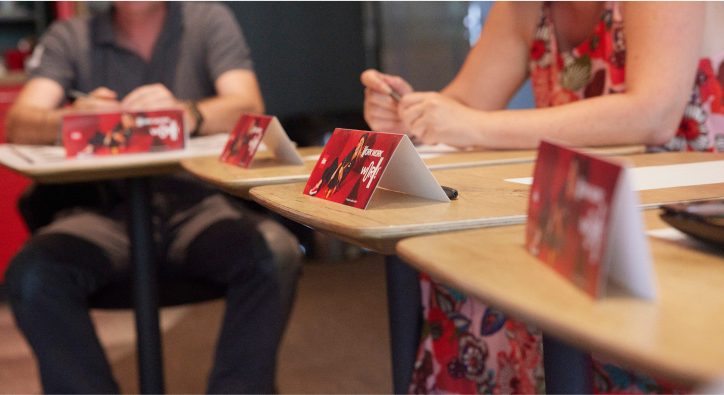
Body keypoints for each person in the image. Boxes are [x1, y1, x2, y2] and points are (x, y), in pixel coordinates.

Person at [362, 0, 724, 394]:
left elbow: (654, 114)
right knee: (470, 279)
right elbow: (465, 105)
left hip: (687, 218)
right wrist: (411, 114)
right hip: (577, 214)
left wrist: (475, 126)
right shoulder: (524, 5)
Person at [4, 1, 302, 394]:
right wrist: (75, 119)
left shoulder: (208, 20)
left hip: (198, 206)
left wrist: (186, 113)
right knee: (33, 275)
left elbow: (247, 106)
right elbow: (20, 122)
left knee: (274, 254)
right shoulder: (70, 36)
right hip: (105, 212)